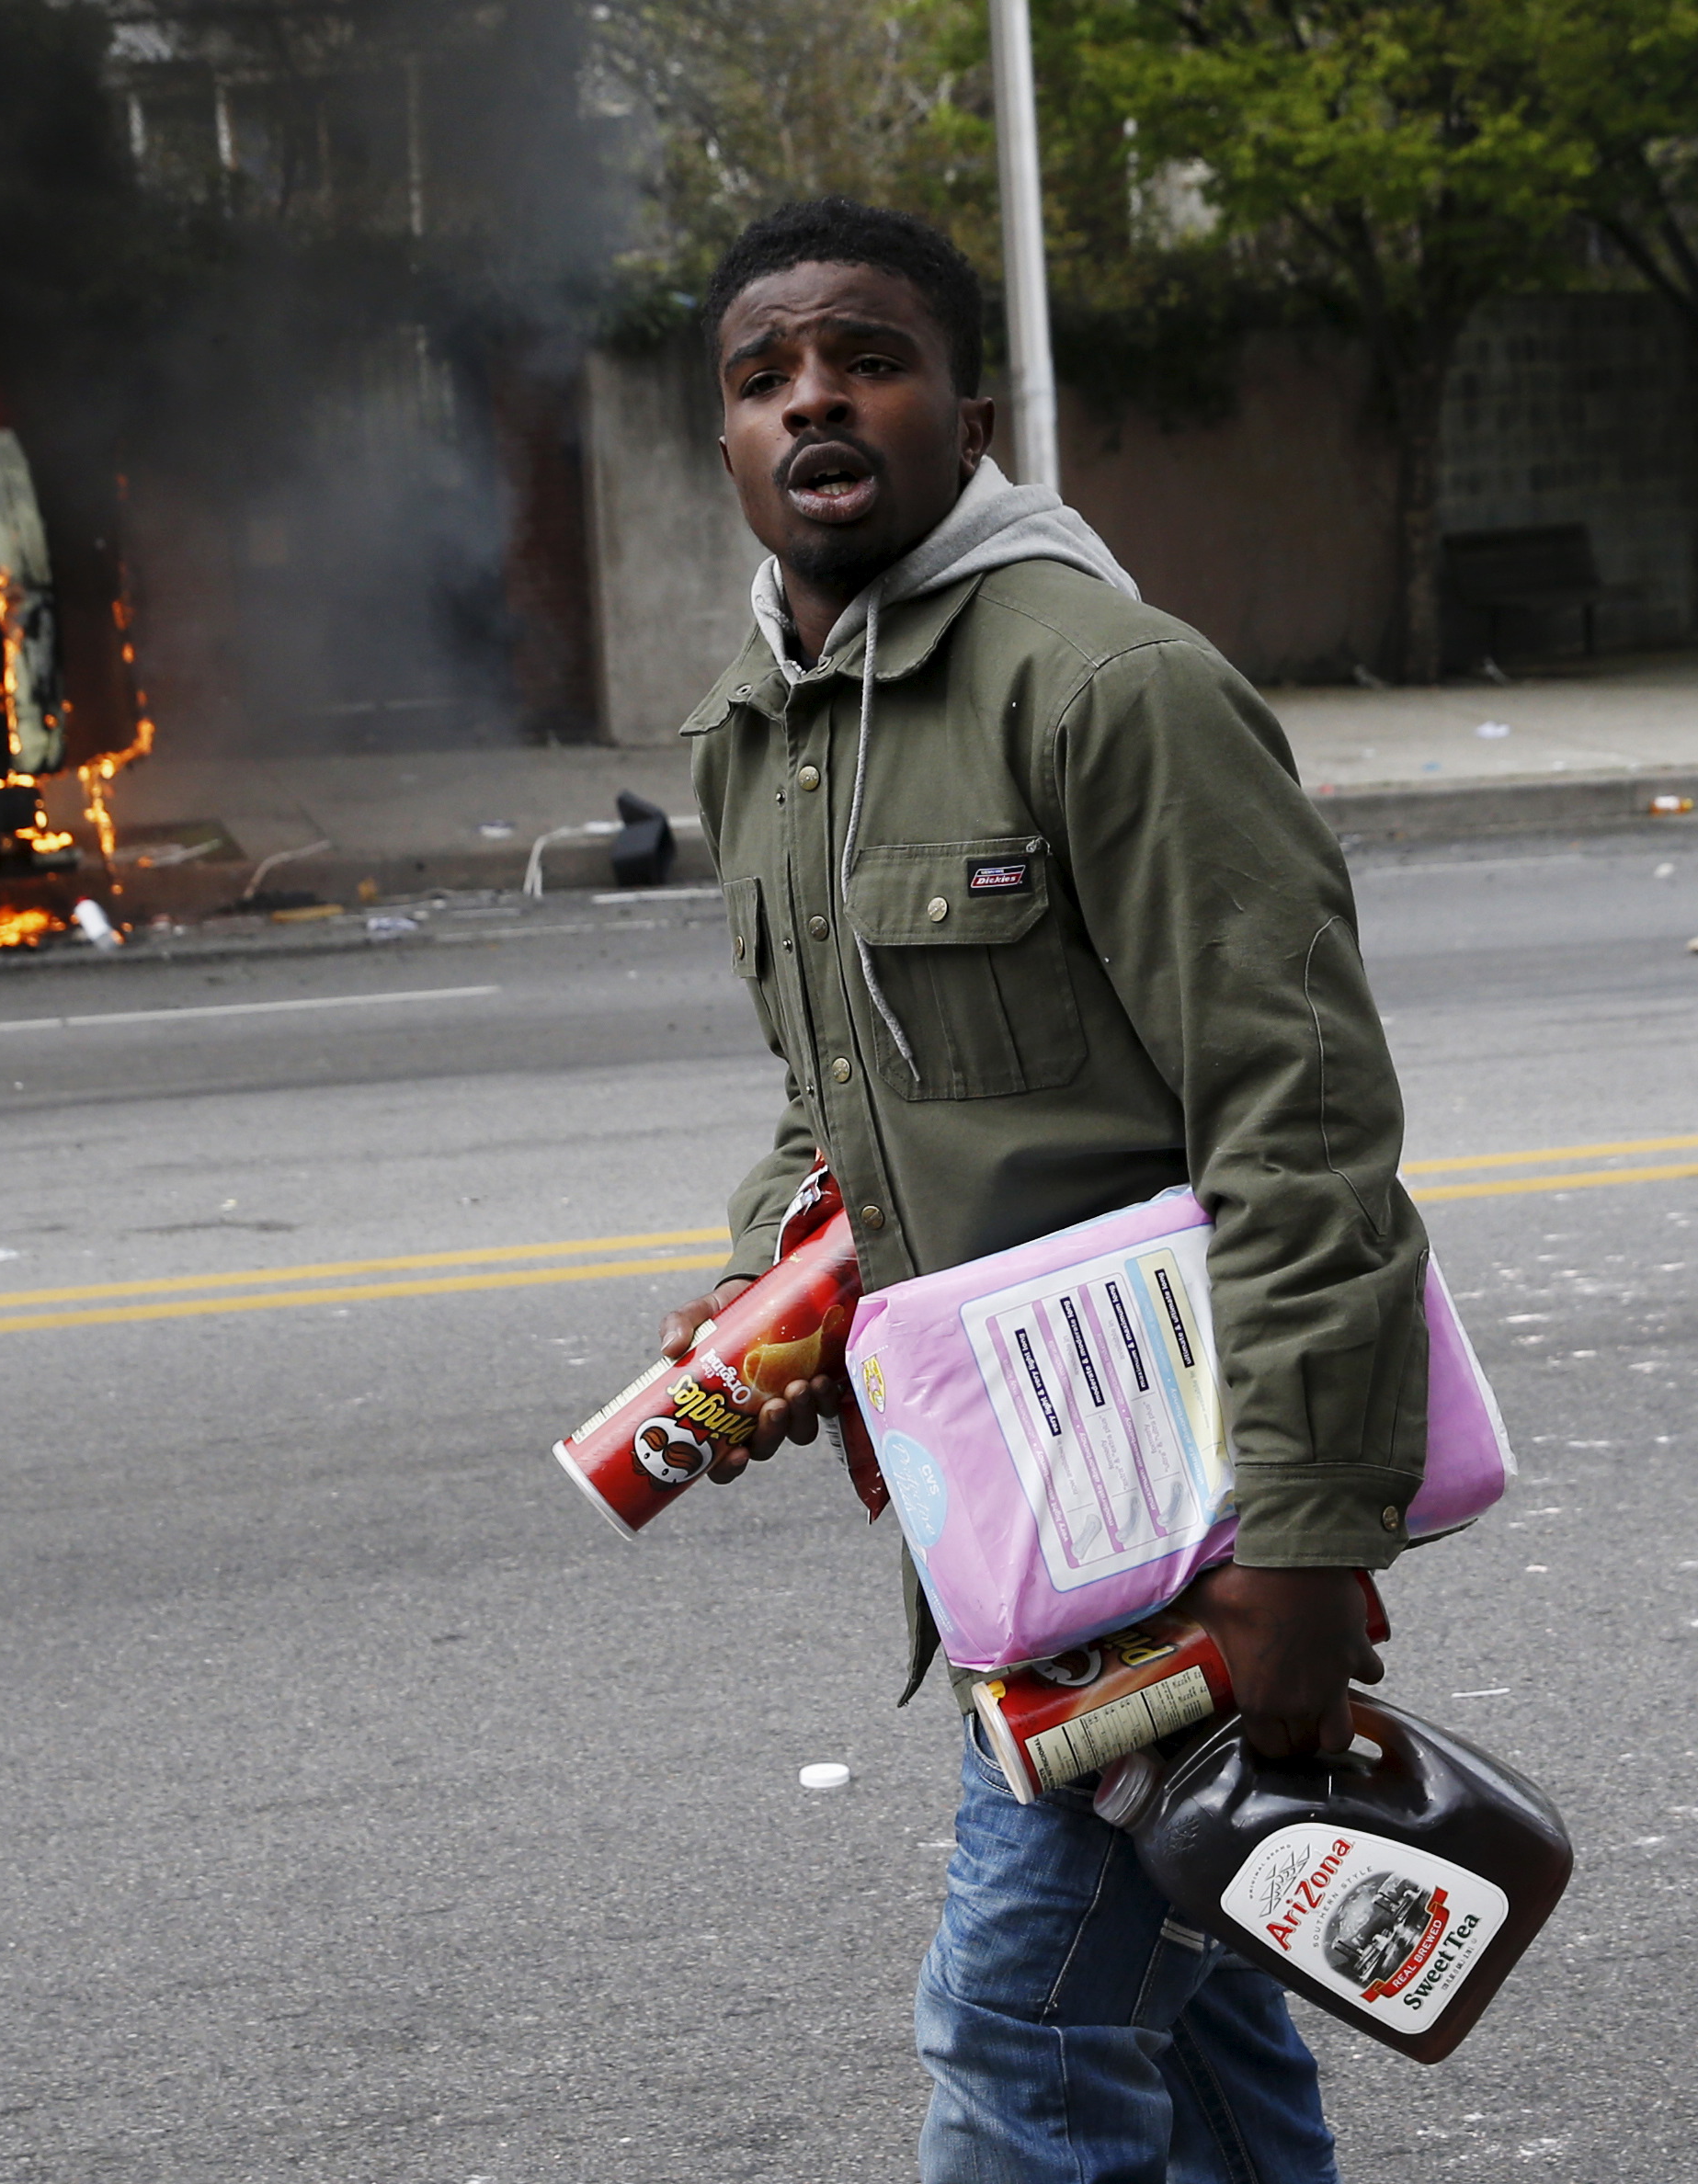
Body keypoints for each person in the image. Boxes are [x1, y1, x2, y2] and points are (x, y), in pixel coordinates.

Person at [652, 198, 1428, 2183]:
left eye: (865, 357)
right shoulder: (763, 738)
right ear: (724, 442)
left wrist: (1306, 1539)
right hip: (1019, 1514)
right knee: (1201, 2005)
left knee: (1021, 2024)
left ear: (967, 410)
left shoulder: (1106, 685)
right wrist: (764, 1296)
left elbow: (1300, 1114)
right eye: (761, 378)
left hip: (1182, 1512)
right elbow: (842, 1112)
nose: (811, 398)